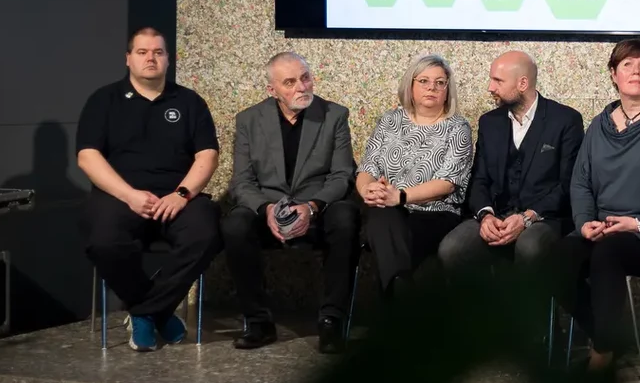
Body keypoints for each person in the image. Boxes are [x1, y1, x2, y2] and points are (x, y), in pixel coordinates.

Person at [75, 26, 221, 352]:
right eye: (142, 52)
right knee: (102, 240)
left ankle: (145, 312)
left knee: (206, 233)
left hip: (176, 196)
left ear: (168, 59)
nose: (150, 58)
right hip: (120, 196)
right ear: (128, 58)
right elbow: (87, 156)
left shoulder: (189, 101)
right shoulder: (104, 100)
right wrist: (129, 195)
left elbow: (208, 155)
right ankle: (157, 311)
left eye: (158, 52)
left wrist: (181, 195)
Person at [557, 39, 640, 372]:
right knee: (555, 258)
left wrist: (639, 223)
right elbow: (580, 182)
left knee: (608, 254)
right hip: (605, 226)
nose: (637, 71)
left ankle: (602, 353)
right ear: (613, 74)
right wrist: (584, 222)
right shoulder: (599, 125)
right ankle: (609, 336)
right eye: (628, 65)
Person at [223, 52, 361, 354]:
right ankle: (258, 321)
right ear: (272, 90)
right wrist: (266, 209)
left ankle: (331, 320)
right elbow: (242, 182)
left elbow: (342, 175)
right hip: (269, 209)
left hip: (318, 208)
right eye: (290, 82)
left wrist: (311, 207)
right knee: (235, 225)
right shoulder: (249, 120)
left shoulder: (334, 115)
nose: (301, 87)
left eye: (305, 78)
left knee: (346, 217)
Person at [437, 51, 583, 276]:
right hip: (496, 214)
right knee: (452, 249)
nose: (490, 87)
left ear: (522, 83)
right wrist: (485, 215)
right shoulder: (489, 122)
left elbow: (568, 184)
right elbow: (479, 179)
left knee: (530, 247)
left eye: (498, 81)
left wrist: (527, 217)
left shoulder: (565, 120)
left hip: (545, 217)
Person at [358, 54, 473, 296]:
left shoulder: (458, 128)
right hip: (387, 208)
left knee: (391, 234)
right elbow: (367, 168)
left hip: (435, 213)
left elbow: (447, 183)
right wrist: (369, 190)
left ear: (447, 90)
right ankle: (401, 291)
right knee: (381, 215)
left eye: (440, 82)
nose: (432, 87)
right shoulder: (390, 120)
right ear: (410, 85)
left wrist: (399, 196)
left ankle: (396, 297)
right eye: (424, 81)